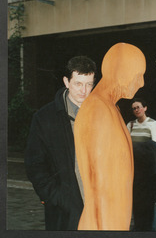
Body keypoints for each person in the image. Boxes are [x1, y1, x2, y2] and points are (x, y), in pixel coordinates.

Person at [74, 43, 146, 230]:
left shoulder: (110, 108)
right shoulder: (99, 110)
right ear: (121, 72)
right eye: (138, 75)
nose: (141, 83)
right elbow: (101, 187)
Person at [25, 56, 97, 230]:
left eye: (89, 84)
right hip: (64, 212)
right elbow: (35, 165)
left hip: (97, 207)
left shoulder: (101, 114)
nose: (84, 91)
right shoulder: (45, 117)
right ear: (66, 81)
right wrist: (57, 198)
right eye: (78, 84)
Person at [127, 98, 156, 231]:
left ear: (145, 108)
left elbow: (155, 146)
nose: (136, 110)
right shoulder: (130, 125)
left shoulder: (152, 124)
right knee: (137, 200)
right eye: (134, 108)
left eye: (138, 107)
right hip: (135, 169)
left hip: (147, 169)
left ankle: (152, 230)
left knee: (148, 201)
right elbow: (127, 147)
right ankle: (139, 228)